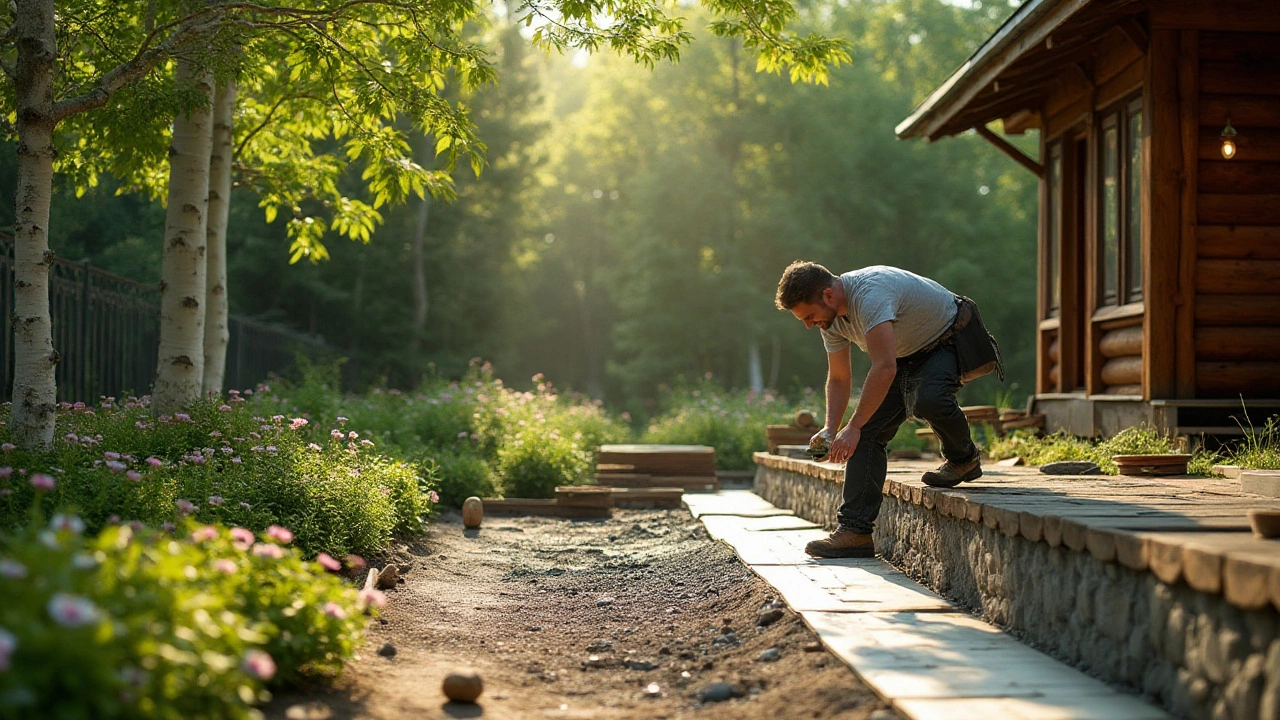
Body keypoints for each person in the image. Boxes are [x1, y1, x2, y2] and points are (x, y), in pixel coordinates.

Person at [775, 261, 1003, 558]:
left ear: (829, 296)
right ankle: (855, 532)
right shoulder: (830, 321)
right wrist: (832, 428)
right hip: (905, 355)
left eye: (809, 316)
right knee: (867, 434)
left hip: (947, 338)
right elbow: (840, 378)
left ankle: (963, 459)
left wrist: (852, 426)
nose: (808, 325)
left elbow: (884, 367)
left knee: (928, 399)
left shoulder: (870, 293)